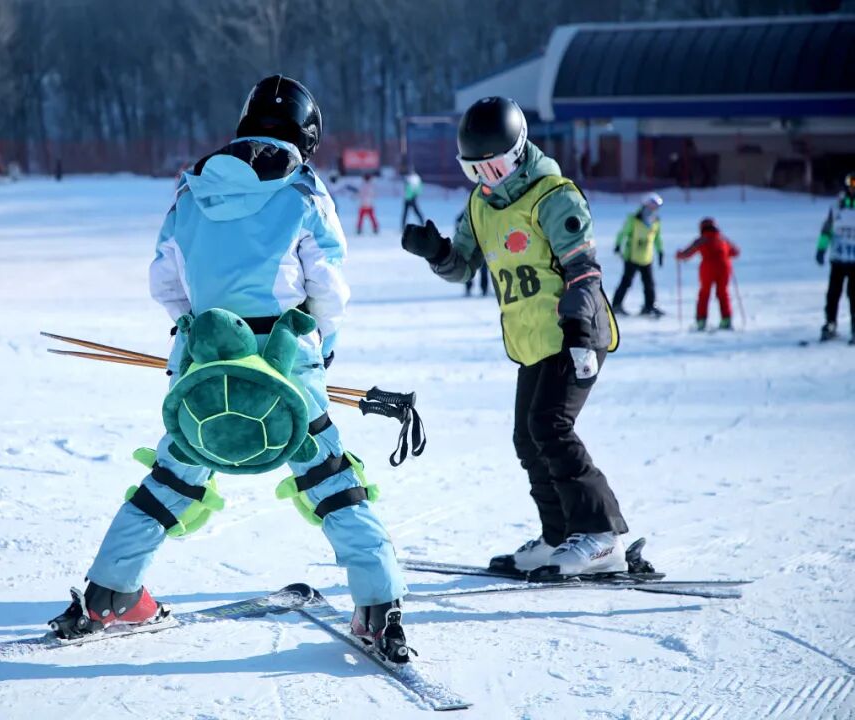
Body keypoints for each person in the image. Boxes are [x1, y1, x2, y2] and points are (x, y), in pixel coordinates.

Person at [49, 75, 411, 663]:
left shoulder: (192, 188)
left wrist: (195, 329)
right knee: (330, 480)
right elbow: (329, 289)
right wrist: (323, 342)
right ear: (308, 134)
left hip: (204, 368)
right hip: (286, 366)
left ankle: (109, 595)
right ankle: (377, 605)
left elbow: (164, 280)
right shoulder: (302, 189)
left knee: (172, 478)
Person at [400, 96, 628, 576]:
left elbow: (584, 270)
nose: (488, 179)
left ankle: (602, 536)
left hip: (575, 334)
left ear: (521, 151)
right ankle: (559, 534)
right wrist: (435, 251)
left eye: (497, 166)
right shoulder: (481, 206)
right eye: (475, 171)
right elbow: (462, 267)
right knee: (527, 437)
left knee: (551, 428)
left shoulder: (553, 196)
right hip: (531, 342)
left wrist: (579, 327)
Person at [676, 218, 740, 331]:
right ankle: (726, 320)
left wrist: (680, 255)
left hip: (707, 268)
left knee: (704, 294)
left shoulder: (702, 240)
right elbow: (735, 252)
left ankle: (701, 322)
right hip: (725, 267)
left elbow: (688, 253)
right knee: (723, 293)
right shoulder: (723, 239)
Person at [816, 172, 855, 343]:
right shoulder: (837, 206)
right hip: (838, 258)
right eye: (852, 183)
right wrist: (821, 249)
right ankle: (830, 323)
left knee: (854, 294)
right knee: (833, 293)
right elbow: (827, 230)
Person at [611, 193, 665, 318]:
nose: (653, 209)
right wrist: (618, 244)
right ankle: (617, 305)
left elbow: (657, 238)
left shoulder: (656, 221)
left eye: (655, 206)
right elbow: (623, 232)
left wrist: (660, 251)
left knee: (649, 283)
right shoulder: (634, 219)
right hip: (632, 256)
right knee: (626, 281)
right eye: (651, 206)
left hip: (647, 257)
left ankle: (649, 305)